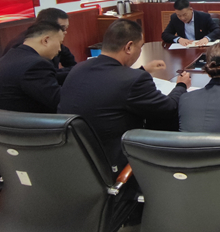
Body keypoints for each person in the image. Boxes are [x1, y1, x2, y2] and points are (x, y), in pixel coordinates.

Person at [59, 20, 189, 172]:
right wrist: (181, 86)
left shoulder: (78, 69)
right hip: (114, 163)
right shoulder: (133, 80)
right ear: (129, 47)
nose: (140, 52)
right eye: (140, 47)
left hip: (74, 159)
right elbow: (168, 107)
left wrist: (142, 70)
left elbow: (108, 80)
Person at [0, 21, 64, 113]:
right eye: (60, 43)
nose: (59, 49)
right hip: (19, 120)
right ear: (46, 40)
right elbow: (61, 101)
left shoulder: (13, 55)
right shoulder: (35, 64)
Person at [3, 8, 76, 84]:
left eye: (65, 28)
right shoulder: (22, 46)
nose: (65, 32)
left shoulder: (53, 41)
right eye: (62, 28)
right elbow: (43, 77)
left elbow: (69, 60)